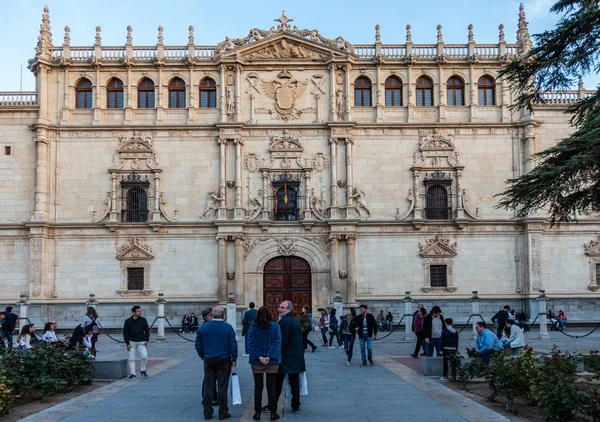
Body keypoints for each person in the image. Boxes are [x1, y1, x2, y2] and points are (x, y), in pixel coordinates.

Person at [247, 306, 282, 421]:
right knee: (271, 387)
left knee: (258, 387)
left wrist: (260, 357)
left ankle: (257, 413)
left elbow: (251, 343)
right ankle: (273, 413)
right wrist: (269, 356)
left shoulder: (253, 327)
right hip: (272, 362)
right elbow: (277, 342)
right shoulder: (275, 326)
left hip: (257, 361)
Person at [274, 300, 306, 415]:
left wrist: (276, 356)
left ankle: (273, 404)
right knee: (294, 383)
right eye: (280, 307)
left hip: (286, 357)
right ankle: (296, 406)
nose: (279, 309)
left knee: (277, 382)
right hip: (295, 357)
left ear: (289, 309)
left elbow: (283, 341)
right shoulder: (294, 320)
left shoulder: (285, 322)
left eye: (282, 307)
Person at [123, 305, 150, 381]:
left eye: (140, 311)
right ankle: (133, 374)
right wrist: (127, 343)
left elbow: (147, 330)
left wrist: (146, 340)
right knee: (131, 358)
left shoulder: (143, 320)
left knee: (144, 356)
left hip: (141, 341)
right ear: (133, 312)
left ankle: (143, 370)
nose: (140, 312)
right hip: (131, 342)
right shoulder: (127, 321)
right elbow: (125, 333)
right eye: (138, 311)